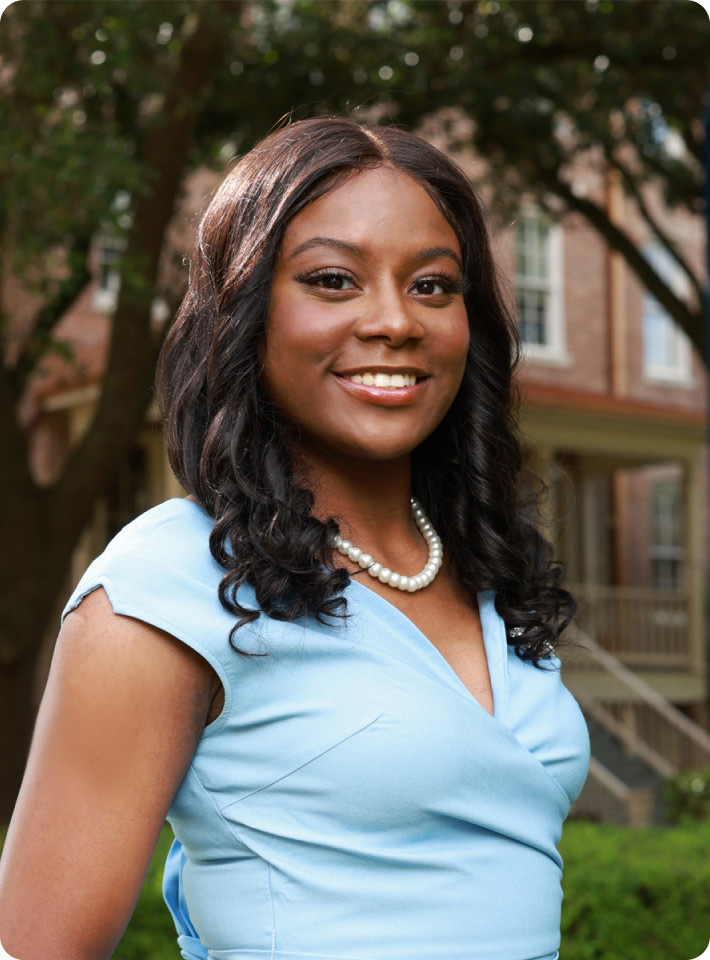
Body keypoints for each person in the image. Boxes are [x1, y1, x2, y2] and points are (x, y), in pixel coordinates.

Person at [0, 117, 589, 960]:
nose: (396, 321)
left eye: (433, 286)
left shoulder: (487, 569)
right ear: (246, 312)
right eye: (334, 280)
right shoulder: (165, 583)